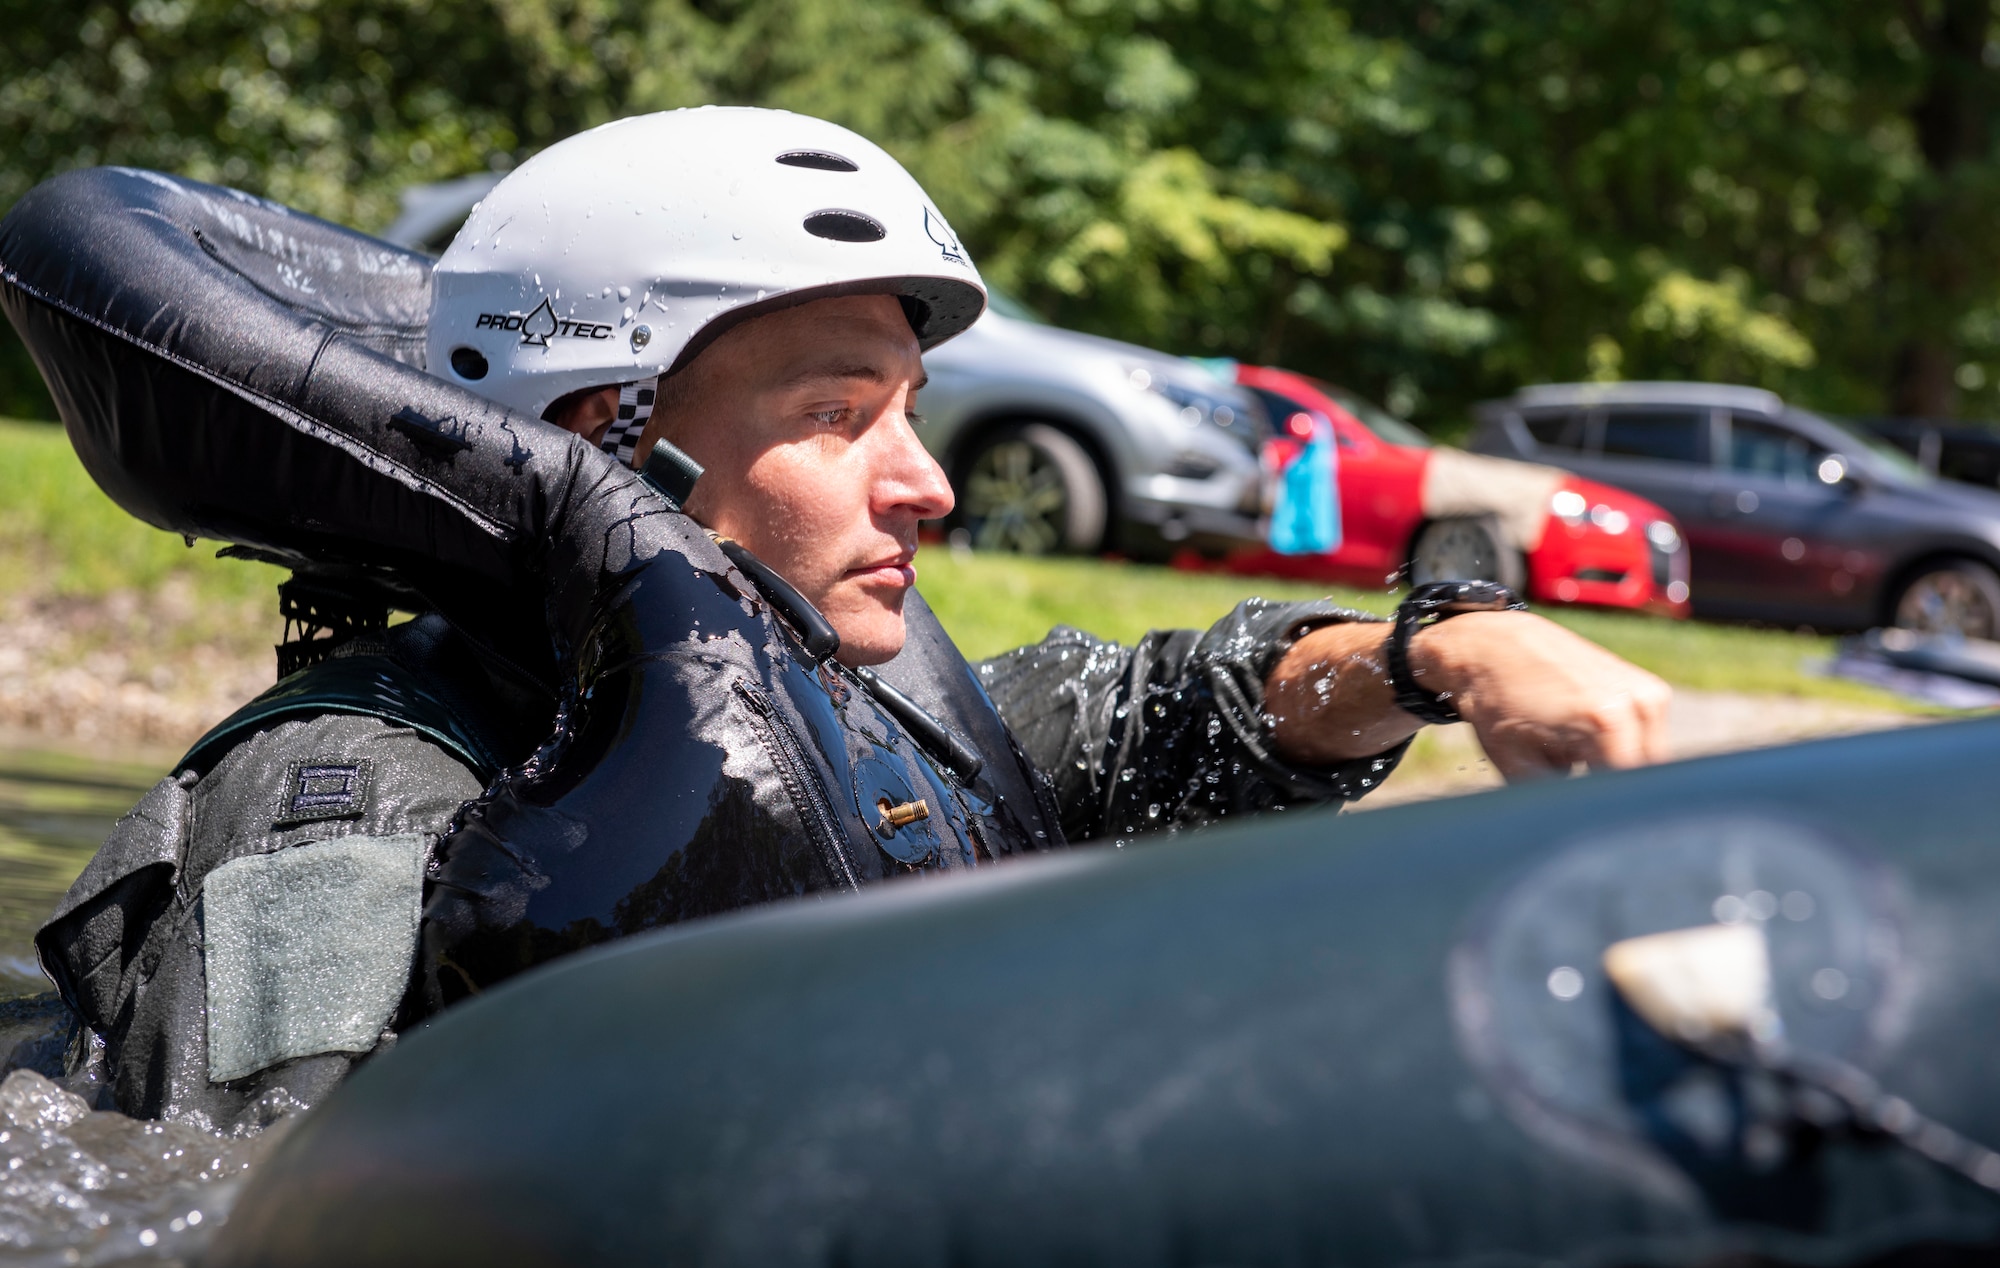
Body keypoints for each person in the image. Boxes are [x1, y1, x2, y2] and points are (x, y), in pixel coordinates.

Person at [35, 108, 1668, 1131]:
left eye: (916, 411)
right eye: (838, 415)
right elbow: (220, 1215)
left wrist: (1428, 651)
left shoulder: (867, 708)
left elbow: (1164, 713)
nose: (929, 486)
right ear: (602, 437)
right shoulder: (343, 799)